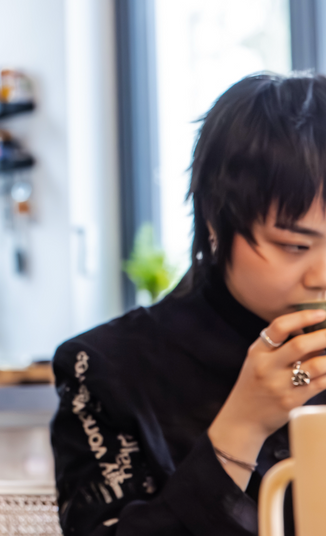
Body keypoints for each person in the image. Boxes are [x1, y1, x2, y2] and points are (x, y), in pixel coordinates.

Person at [50, 72, 326, 535]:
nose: (321, 276)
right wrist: (244, 424)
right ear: (216, 223)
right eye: (295, 246)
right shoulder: (103, 369)